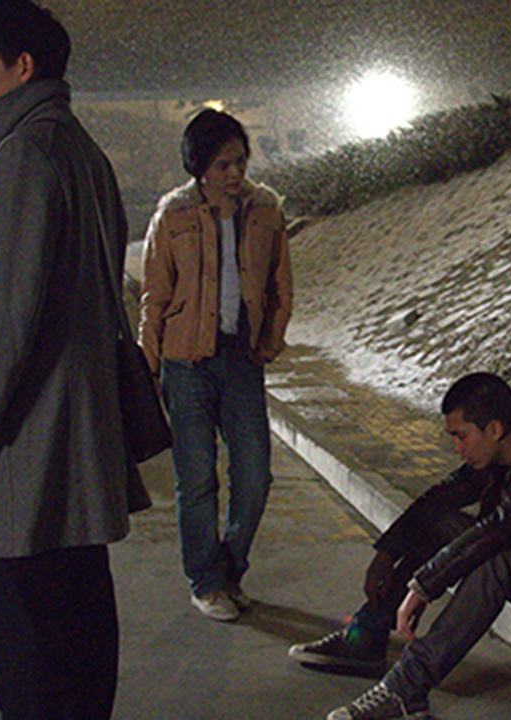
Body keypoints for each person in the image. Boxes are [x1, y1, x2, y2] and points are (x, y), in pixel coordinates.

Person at [0, 1, 149, 716]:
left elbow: (8, 306)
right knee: (79, 605)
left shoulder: (23, 154)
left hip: (28, 435)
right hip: (78, 426)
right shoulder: (80, 150)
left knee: (25, 623)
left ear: (22, 67)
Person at [289, 372, 511, 720]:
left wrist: (423, 585)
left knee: (498, 564)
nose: (456, 448)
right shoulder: (510, 447)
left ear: (494, 429)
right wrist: (387, 552)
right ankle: (366, 637)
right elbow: (441, 498)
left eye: (461, 436)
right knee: (442, 523)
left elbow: (499, 528)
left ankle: (406, 689)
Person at [140, 109, 293, 622]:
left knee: (255, 476)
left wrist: (271, 339)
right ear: (199, 166)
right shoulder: (173, 215)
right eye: (223, 164)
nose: (235, 172)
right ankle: (207, 583)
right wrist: (149, 363)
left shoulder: (266, 211)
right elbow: (155, 296)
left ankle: (228, 568)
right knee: (198, 479)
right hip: (185, 362)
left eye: (240, 161)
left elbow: (281, 285)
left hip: (241, 360)